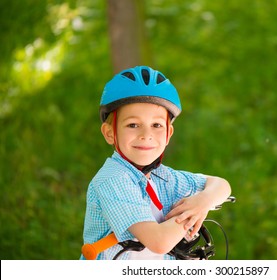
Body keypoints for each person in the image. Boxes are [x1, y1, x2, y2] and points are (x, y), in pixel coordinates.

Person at [80, 66, 231, 260]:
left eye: (156, 125)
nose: (146, 136)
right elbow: (159, 241)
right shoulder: (113, 179)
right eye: (133, 125)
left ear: (168, 134)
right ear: (110, 133)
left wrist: (203, 201)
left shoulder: (163, 177)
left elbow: (221, 184)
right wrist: (190, 214)